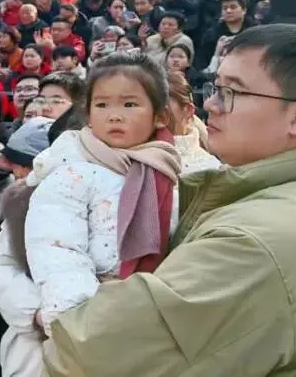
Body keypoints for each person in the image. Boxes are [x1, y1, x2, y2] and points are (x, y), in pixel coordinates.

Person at [45, 24, 296, 375]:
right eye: (215, 88)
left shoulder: (251, 244)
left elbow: (91, 353)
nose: (210, 104)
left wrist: (43, 313)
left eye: (231, 93)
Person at [25, 51, 182, 344]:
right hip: (93, 328)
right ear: (87, 113)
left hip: (158, 322)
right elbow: (59, 253)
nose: (114, 115)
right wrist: (83, 325)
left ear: (160, 115)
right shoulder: (70, 172)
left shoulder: (172, 170)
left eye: (130, 104)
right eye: (102, 104)